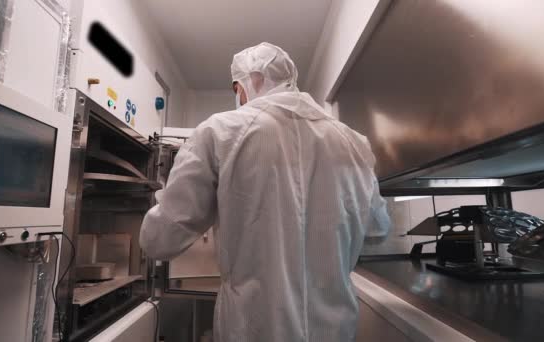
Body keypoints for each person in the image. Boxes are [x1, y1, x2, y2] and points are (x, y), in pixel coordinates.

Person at [140, 42, 391, 342]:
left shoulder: (221, 132)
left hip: (253, 330)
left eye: (237, 89)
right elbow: (378, 232)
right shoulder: (353, 143)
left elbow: (159, 239)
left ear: (244, 83)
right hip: (335, 331)